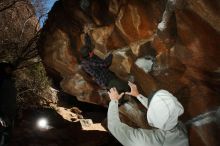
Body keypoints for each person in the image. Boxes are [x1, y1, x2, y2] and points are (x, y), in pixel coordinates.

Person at [107, 81, 189, 146]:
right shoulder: (179, 127)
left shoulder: (145, 142)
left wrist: (114, 101)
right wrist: (138, 95)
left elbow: (113, 126)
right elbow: (162, 110)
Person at [0, 62, 16, 146]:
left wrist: (17, 110)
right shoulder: (1, 81)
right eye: (8, 69)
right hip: (3, 113)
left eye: (10, 69)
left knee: (7, 135)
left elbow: (12, 98)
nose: (10, 71)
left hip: (10, 113)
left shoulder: (10, 81)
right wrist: (1, 116)